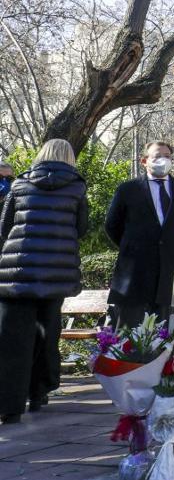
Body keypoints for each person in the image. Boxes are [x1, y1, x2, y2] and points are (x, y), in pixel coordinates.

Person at [0, 139, 88, 424]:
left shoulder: (19, 185)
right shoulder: (77, 188)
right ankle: (38, 393)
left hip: (17, 274)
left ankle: (10, 407)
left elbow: (5, 226)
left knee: (13, 341)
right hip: (55, 275)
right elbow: (82, 228)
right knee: (47, 334)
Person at [103, 141, 174, 327]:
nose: (163, 160)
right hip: (134, 275)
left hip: (169, 274)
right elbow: (112, 225)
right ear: (144, 161)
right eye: (158, 156)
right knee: (128, 337)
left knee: (165, 337)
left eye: (167, 156)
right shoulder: (128, 190)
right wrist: (133, 246)